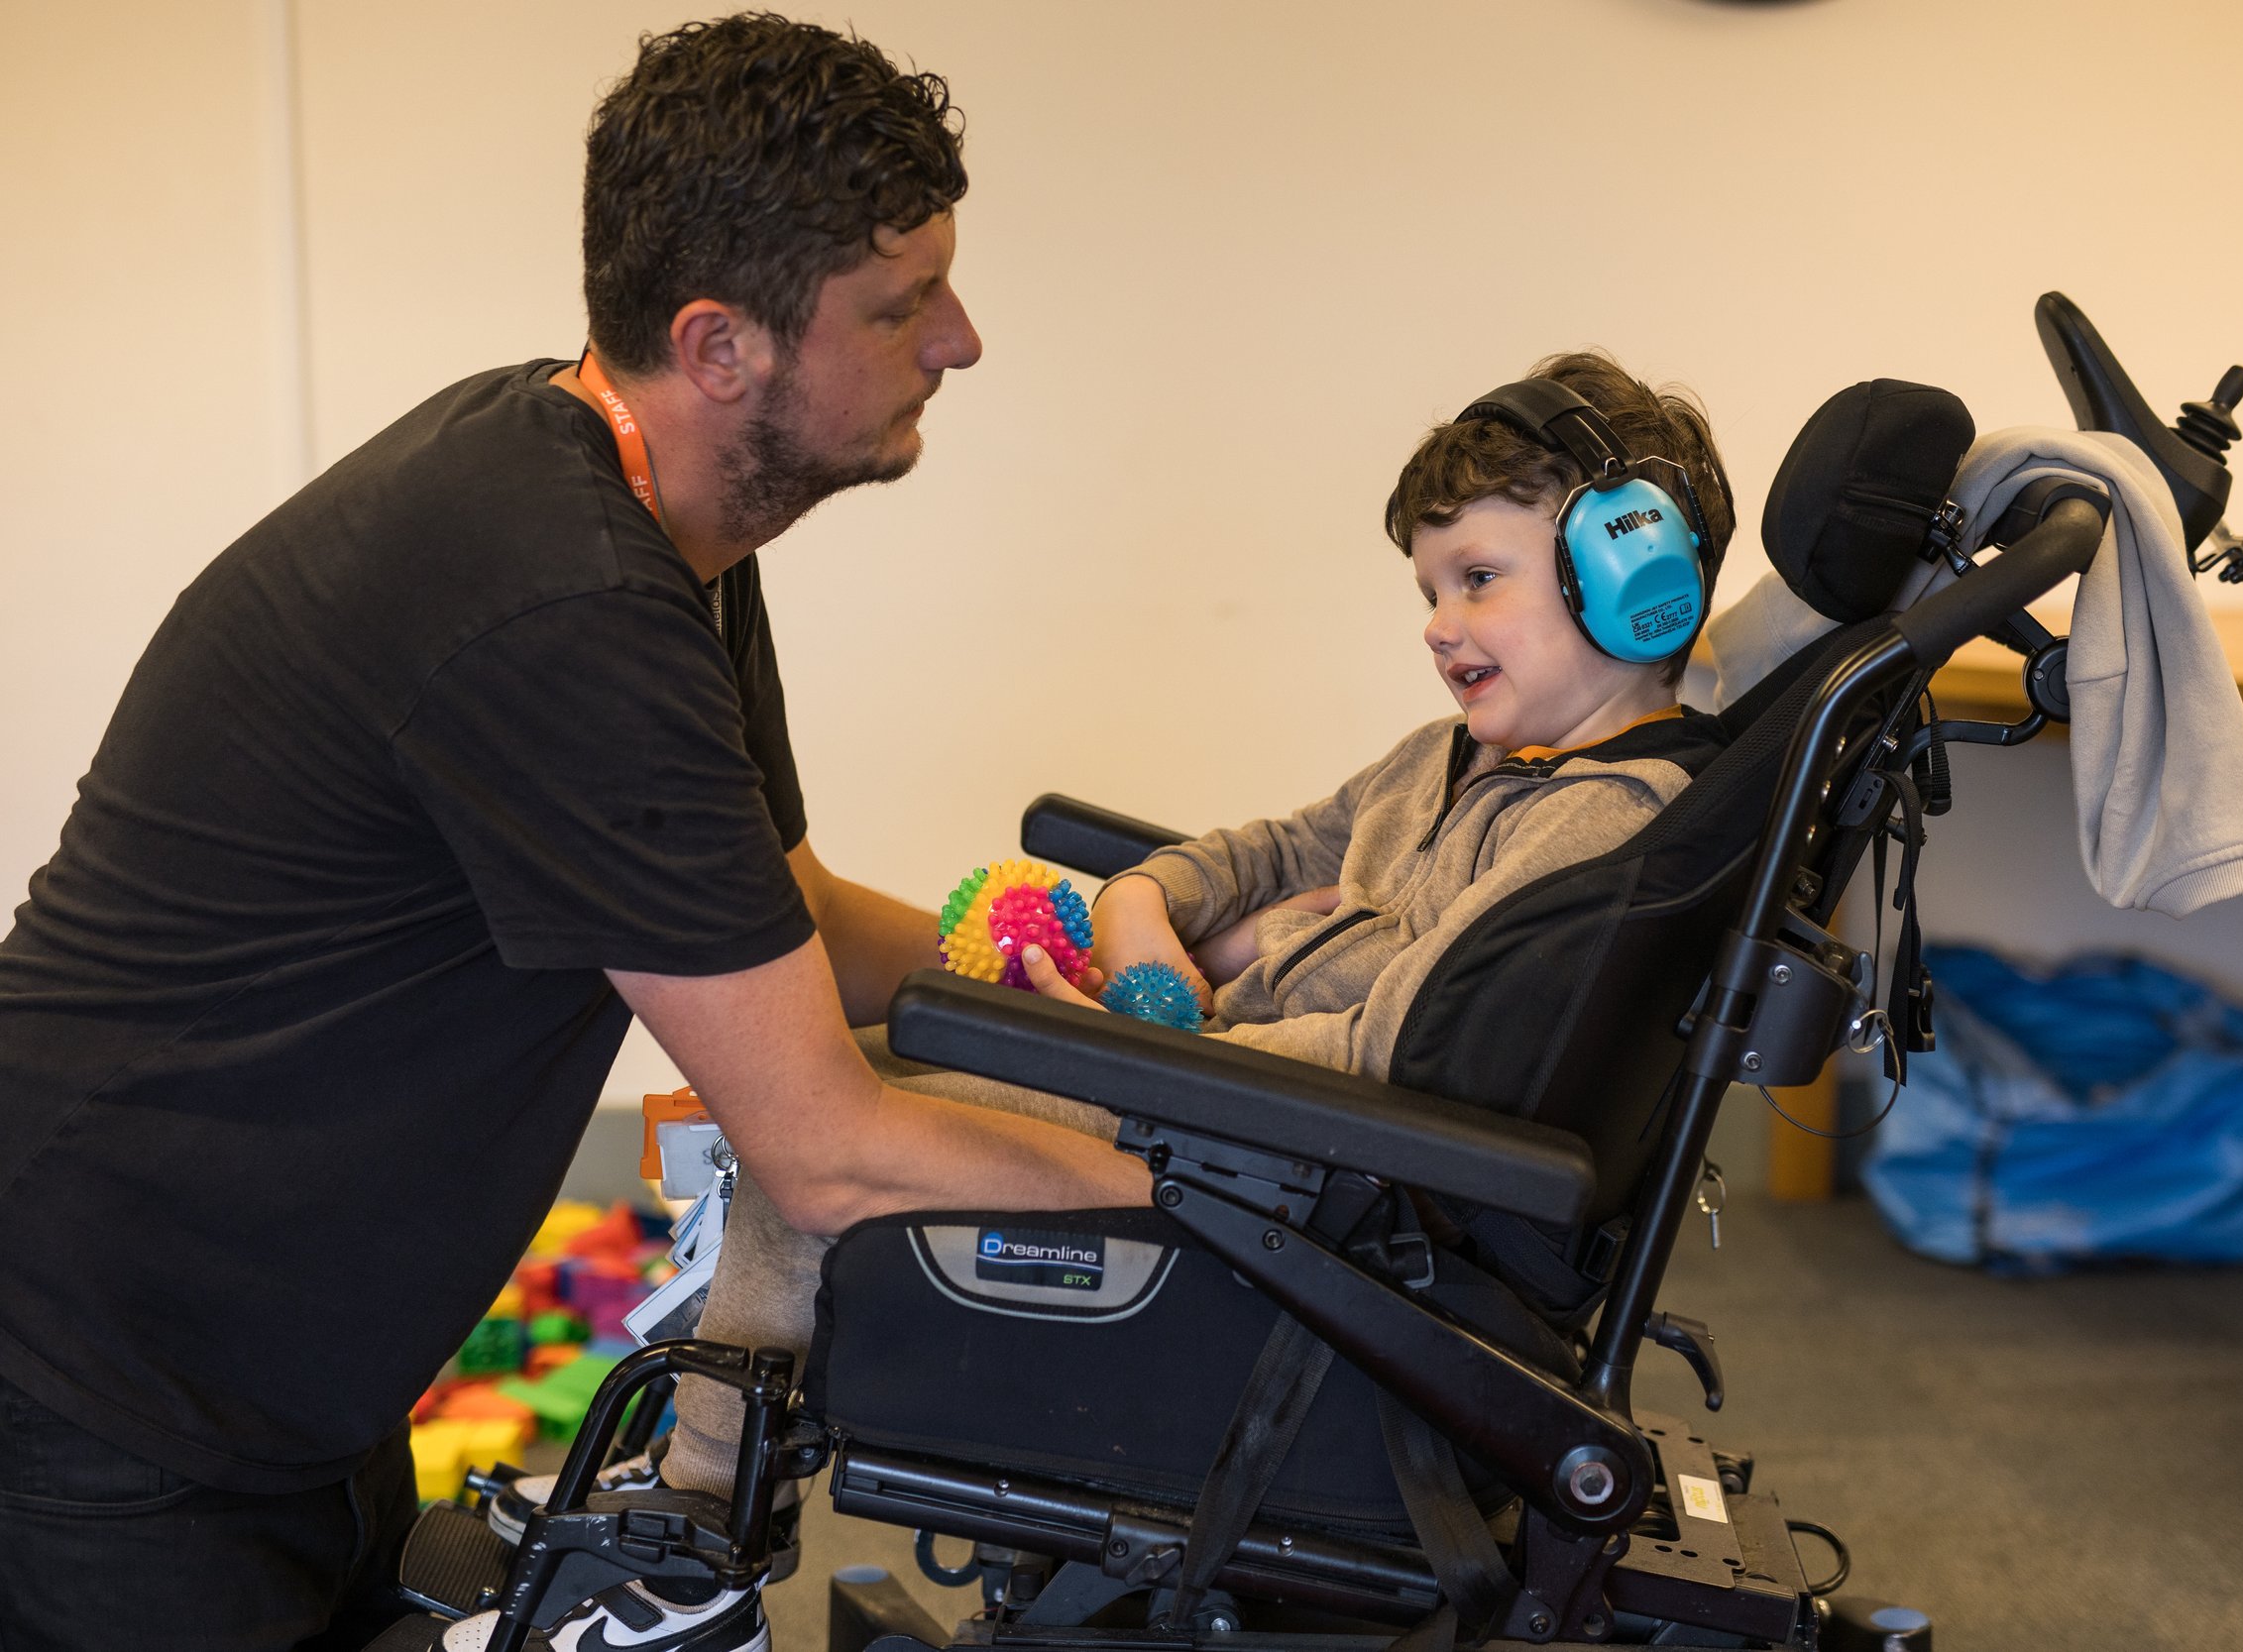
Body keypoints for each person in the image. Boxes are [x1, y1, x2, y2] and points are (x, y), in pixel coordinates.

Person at [0, 16, 1146, 1651]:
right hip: (100, 1379)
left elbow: (797, 920)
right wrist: (1218, 1196)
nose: (961, 340)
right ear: (719, 344)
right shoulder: (567, 598)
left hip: (289, 1371)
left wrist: (1129, 991)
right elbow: (825, 1148)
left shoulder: (640, 516)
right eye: (903, 305)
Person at [602, 348, 1739, 1585]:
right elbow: (1270, 851)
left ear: (1629, 573)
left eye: (1477, 578)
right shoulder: (1451, 756)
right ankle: (734, 1413)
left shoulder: (1599, 823)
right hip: (1225, 1098)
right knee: (847, 1072)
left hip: (1284, 1159)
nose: (1436, 624)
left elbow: (1391, 1052)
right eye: (1428, 588)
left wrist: (1167, 1043)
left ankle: (692, 1530)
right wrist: (1144, 904)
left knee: (822, 1143)